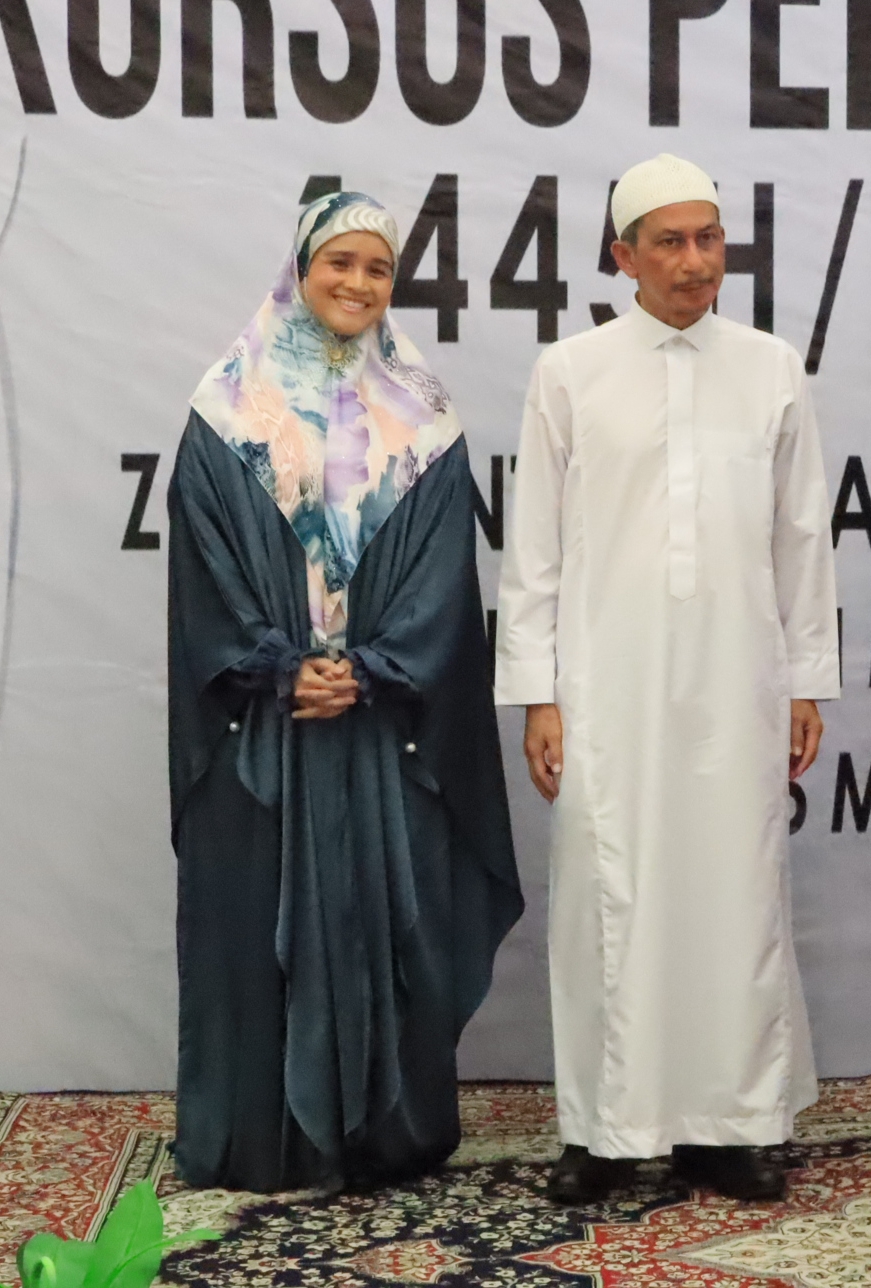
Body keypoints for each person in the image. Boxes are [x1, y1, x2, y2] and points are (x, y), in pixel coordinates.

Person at [494, 154, 839, 1206]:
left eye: (709, 239)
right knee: (609, 897)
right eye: (671, 243)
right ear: (624, 256)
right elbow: (533, 547)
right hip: (607, 685)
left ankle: (732, 1127)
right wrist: (540, 692)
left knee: (736, 895)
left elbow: (801, 539)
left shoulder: (771, 368)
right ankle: (604, 1130)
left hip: (739, 681)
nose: (696, 263)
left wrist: (804, 681)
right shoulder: (570, 371)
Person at [167, 191, 523, 1193]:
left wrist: (366, 670)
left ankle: (384, 1136)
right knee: (253, 932)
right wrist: (283, 664)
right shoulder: (226, 407)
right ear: (300, 269)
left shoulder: (424, 415)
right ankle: (255, 1139)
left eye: (378, 268)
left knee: (387, 926)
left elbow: (443, 580)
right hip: (264, 723)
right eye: (340, 262)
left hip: (380, 726)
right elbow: (204, 565)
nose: (358, 283)